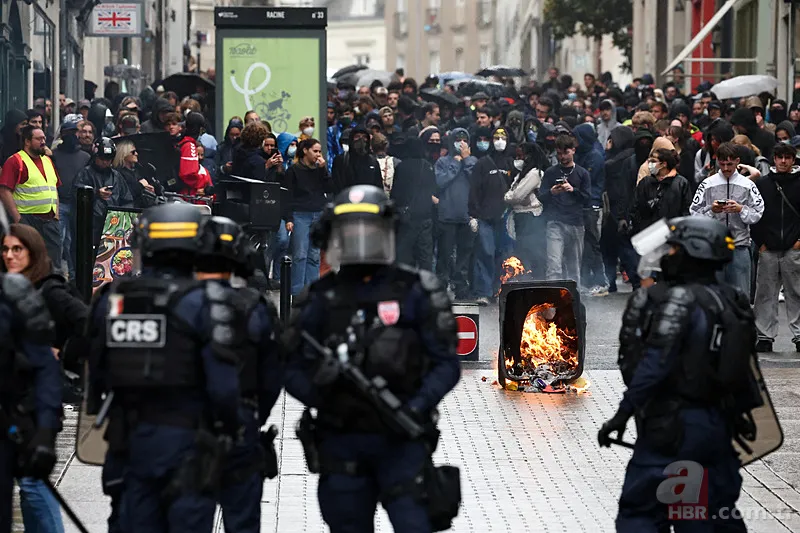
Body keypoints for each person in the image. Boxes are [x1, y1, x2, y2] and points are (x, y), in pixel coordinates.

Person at [283, 184, 461, 533]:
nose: (361, 241)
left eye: (369, 232)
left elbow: (446, 363)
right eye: (351, 233)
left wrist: (416, 406)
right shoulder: (319, 297)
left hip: (402, 440)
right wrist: (325, 396)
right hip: (341, 439)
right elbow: (289, 364)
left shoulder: (417, 290)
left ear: (388, 233)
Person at [84, 203, 244, 533]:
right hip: (190, 445)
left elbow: (95, 373)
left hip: (130, 444)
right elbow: (225, 389)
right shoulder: (207, 303)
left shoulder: (114, 300)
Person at [599, 216, 750, 532]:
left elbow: (654, 363)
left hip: (671, 427)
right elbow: (744, 374)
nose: (667, 256)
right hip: (716, 429)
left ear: (692, 252)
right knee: (708, 515)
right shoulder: (732, 301)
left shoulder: (677, 300)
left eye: (672, 250)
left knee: (641, 511)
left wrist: (622, 415)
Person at [193, 216, 282, 533]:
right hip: (241, 423)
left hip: (187, 425)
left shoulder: (177, 301)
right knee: (242, 519)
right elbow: (274, 373)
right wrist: (254, 412)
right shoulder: (254, 305)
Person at [0, 203, 62, 533]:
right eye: (6, 250)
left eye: (16, 249)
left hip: (18, 417)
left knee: (32, 488)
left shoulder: (33, 293)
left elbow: (45, 368)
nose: (10, 255)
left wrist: (44, 433)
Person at [690, 142, 764, 295]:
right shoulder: (707, 184)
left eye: (729, 164)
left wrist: (741, 209)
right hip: (714, 247)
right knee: (714, 296)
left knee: (741, 296)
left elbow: (758, 211)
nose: (725, 168)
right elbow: (694, 212)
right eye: (722, 164)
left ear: (737, 161)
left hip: (740, 246)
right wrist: (712, 210)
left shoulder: (748, 185)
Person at [751, 143, 800, 352]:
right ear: (774, 159)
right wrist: (760, 242)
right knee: (764, 293)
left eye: (787, 157)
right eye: (780, 157)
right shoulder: (762, 184)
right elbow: (754, 215)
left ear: (793, 160)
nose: (783, 161)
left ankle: (799, 335)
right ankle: (764, 335)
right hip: (768, 247)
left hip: (794, 246)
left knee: (797, 292)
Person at [0, 125, 63, 270]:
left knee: (53, 265)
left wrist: (57, 215)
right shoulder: (16, 161)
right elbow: (4, 190)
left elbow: (54, 189)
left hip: (50, 221)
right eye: (38, 139)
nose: (43, 141)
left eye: (44, 138)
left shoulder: (48, 161)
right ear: (27, 142)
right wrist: (18, 218)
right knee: (27, 264)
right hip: (28, 220)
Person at [468, 127, 514, 305]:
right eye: (496, 137)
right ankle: (483, 292)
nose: (499, 141)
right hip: (485, 217)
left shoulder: (510, 163)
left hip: (505, 218)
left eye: (503, 137)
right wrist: (473, 215)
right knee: (485, 254)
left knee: (504, 255)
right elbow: (474, 190)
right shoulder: (482, 163)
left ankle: (500, 290)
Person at [539, 134, 591, 285]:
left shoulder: (582, 173)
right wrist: (552, 192)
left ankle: (573, 301)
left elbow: (587, 198)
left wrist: (572, 190)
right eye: (559, 153)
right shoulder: (551, 172)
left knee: (574, 267)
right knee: (554, 265)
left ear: (573, 151)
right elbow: (541, 196)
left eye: (565, 153)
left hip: (576, 223)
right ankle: (552, 299)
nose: (562, 157)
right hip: (555, 222)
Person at [283, 138, 330, 295]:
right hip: (300, 214)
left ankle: (313, 292)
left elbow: (329, 187)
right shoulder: (293, 171)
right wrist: (289, 218)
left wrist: (324, 169)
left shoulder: (319, 170)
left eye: (319, 151)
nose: (318, 154)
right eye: (315, 151)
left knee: (315, 256)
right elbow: (288, 196)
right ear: (305, 151)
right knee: (300, 255)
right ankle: (297, 293)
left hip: (317, 212)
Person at [435, 128, 477, 298]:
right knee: (444, 254)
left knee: (464, 256)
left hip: (467, 217)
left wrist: (466, 160)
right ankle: (441, 287)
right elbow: (440, 182)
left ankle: (461, 287)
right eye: (457, 138)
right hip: (447, 216)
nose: (461, 142)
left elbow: (476, 181)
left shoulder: (473, 161)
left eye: (464, 139)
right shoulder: (442, 162)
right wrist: (455, 163)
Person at [391, 129, 439, 271]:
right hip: (425, 218)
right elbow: (433, 190)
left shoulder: (401, 167)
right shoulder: (428, 166)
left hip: (406, 219)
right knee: (425, 258)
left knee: (405, 257)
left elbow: (396, 193)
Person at [74, 137, 134, 246]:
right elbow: (76, 195)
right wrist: (95, 193)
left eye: (108, 159)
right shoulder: (85, 173)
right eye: (102, 159)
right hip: (90, 225)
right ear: (96, 156)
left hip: (113, 224)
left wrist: (124, 218)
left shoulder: (116, 176)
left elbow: (127, 200)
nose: (105, 162)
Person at [52, 116, 90, 280]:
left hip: (78, 204)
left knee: (73, 242)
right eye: (68, 132)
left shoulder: (85, 157)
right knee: (59, 241)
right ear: (62, 135)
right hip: (60, 202)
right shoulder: (53, 155)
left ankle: (74, 277)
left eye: (74, 132)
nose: (72, 135)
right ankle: (58, 275)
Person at [331, 125, 383, 193]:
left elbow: (378, 187)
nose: (361, 139)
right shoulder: (341, 160)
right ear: (351, 139)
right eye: (357, 136)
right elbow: (336, 186)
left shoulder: (373, 162)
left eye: (364, 137)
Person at [113, 140, 162, 208]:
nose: (136, 154)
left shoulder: (139, 170)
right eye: (133, 152)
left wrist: (151, 190)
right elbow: (123, 194)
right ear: (124, 154)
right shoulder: (117, 173)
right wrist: (140, 185)